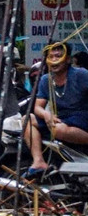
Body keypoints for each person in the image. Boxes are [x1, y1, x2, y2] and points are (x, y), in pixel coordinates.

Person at [24, 41, 88, 176]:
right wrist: (46, 115)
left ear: (68, 59)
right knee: (26, 119)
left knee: (57, 129)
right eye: (51, 57)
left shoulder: (81, 74)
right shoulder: (45, 79)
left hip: (81, 118)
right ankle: (39, 162)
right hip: (61, 118)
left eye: (58, 56)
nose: (54, 60)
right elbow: (37, 107)